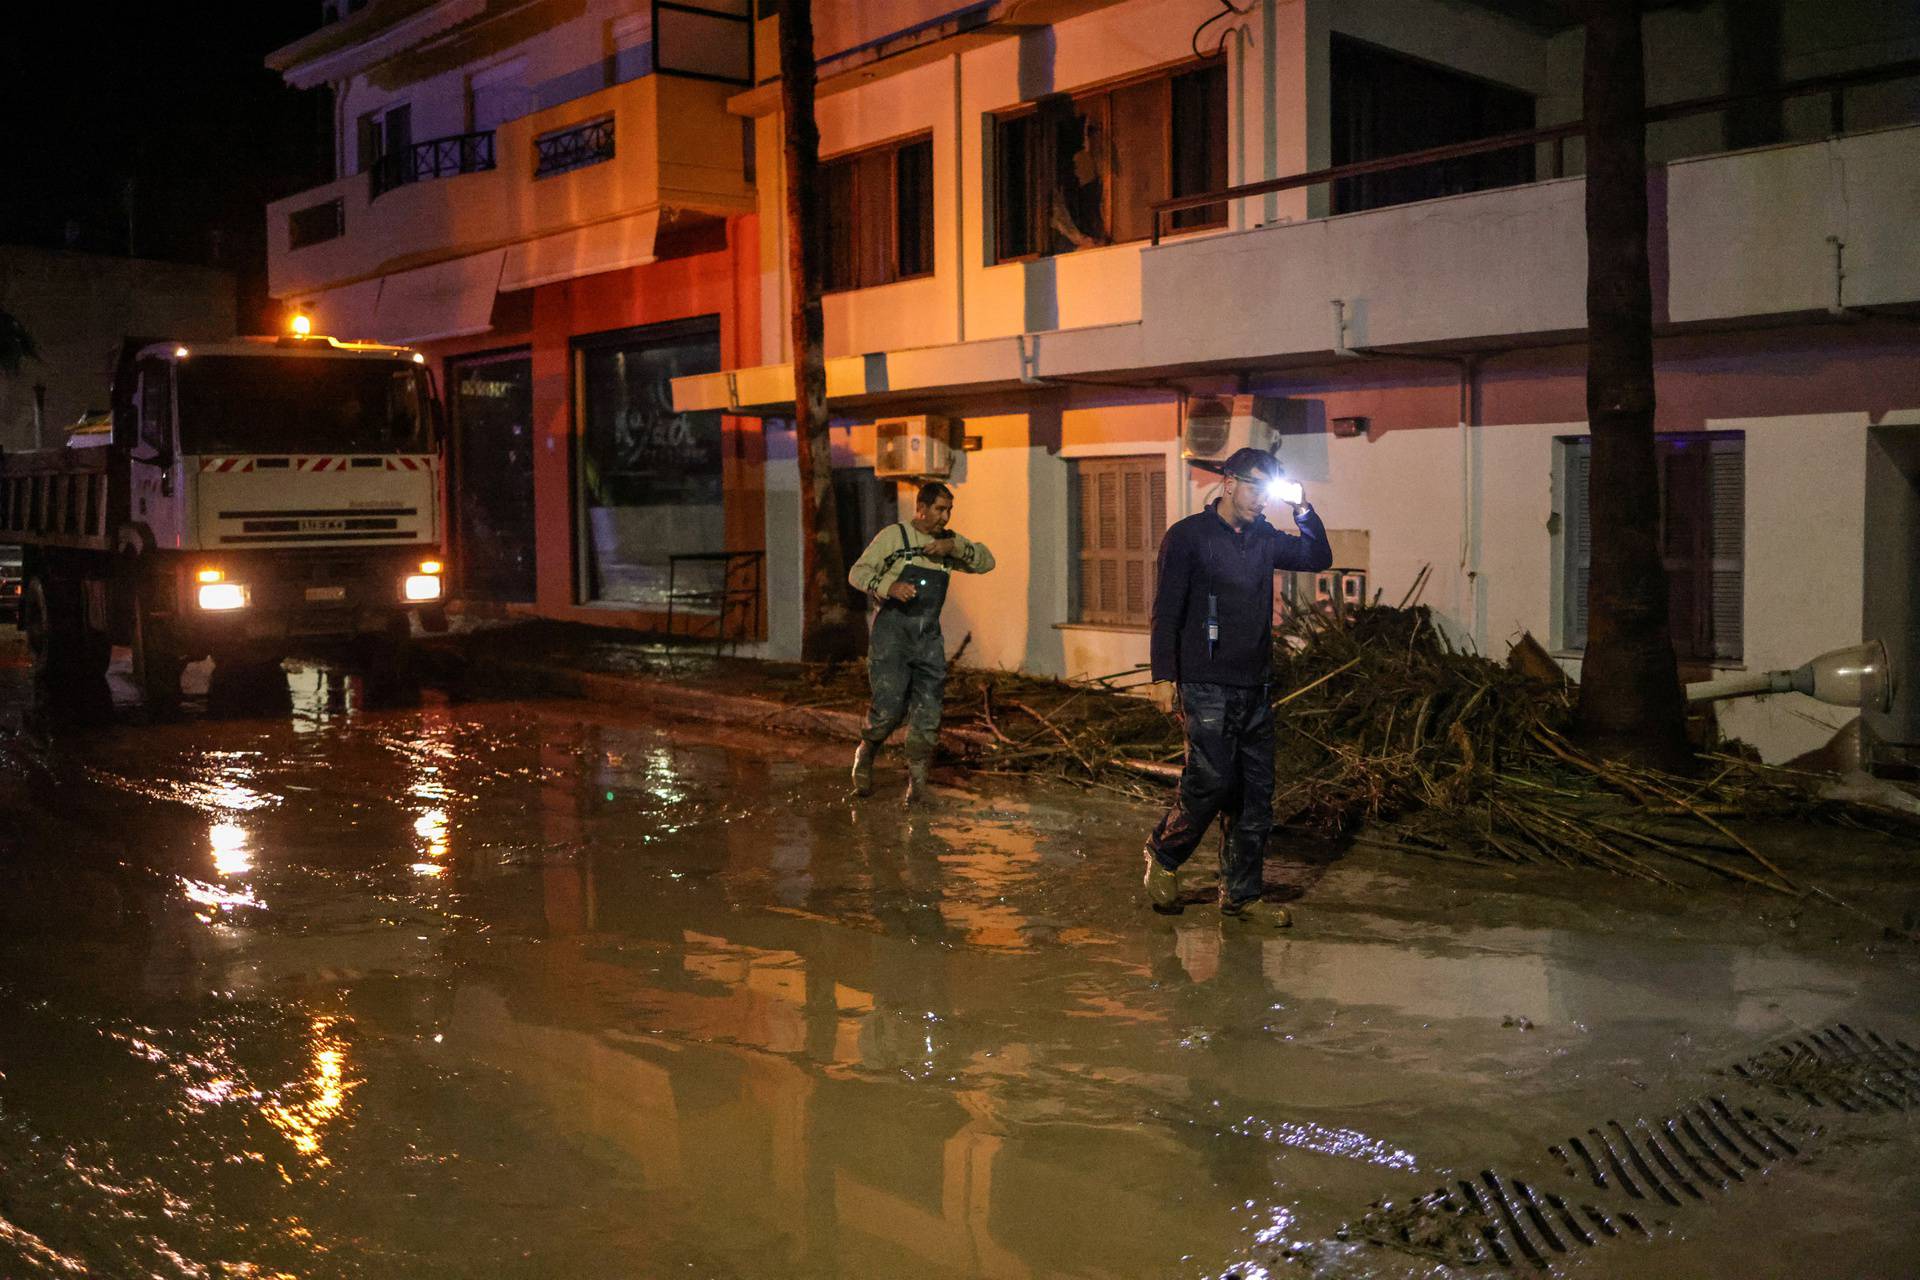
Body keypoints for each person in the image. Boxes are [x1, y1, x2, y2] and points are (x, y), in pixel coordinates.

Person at [1143, 447, 1333, 927]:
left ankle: (1242, 896)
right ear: (1228, 483)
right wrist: (1163, 677)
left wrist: (1304, 510)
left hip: (1256, 685)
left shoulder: (1265, 537)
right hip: (1205, 683)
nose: (1260, 500)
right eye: (1254, 488)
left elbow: (1317, 557)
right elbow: (1166, 611)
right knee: (1210, 781)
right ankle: (1164, 854)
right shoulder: (1188, 537)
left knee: (1254, 796)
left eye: (1267, 491)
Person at [847, 481, 996, 804]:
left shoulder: (947, 543)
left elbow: (987, 562)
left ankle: (917, 784)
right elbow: (857, 573)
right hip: (892, 636)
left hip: (928, 638)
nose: (945, 517)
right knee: (888, 708)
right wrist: (890, 586)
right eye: (940, 510)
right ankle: (866, 751)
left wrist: (953, 547)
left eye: (949, 511)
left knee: (928, 711)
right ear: (922, 508)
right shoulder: (894, 537)